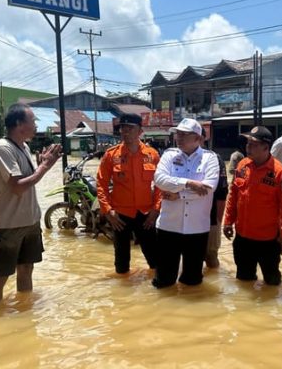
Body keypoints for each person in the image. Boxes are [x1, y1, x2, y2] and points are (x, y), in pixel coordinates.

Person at [0, 103, 62, 304]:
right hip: (9, 224)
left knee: (27, 269)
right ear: (19, 124)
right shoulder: (2, 148)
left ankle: (25, 314)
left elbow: (28, 179)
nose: (36, 125)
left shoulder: (24, 147)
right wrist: (44, 168)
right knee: (0, 276)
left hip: (30, 221)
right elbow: (18, 187)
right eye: (33, 121)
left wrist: (39, 166)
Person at [152, 118, 220, 288]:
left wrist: (178, 194)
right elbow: (159, 180)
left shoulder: (210, 159)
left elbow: (208, 188)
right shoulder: (169, 155)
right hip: (169, 227)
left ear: (197, 138)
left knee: (193, 281)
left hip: (197, 229)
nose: (179, 138)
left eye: (184, 135)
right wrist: (189, 184)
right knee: (163, 281)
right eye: (177, 134)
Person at [223, 126, 282, 286]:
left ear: (266, 147)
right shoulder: (242, 165)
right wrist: (228, 221)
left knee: (272, 283)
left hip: (268, 241)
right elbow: (233, 194)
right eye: (248, 143)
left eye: (253, 144)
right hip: (243, 238)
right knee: (243, 282)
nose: (248, 147)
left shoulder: (280, 174)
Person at [96, 113, 161, 275]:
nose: (125, 132)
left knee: (155, 261)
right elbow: (101, 184)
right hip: (120, 216)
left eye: (130, 128)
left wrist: (156, 209)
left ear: (140, 131)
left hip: (146, 215)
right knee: (121, 263)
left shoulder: (152, 155)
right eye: (122, 128)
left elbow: (161, 185)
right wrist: (108, 210)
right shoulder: (111, 155)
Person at [200, 128, 228, 269]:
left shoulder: (215, 159)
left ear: (203, 139)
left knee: (210, 257)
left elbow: (222, 193)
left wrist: (218, 221)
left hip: (211, 217)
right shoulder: (178, 158)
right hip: (186, 220)